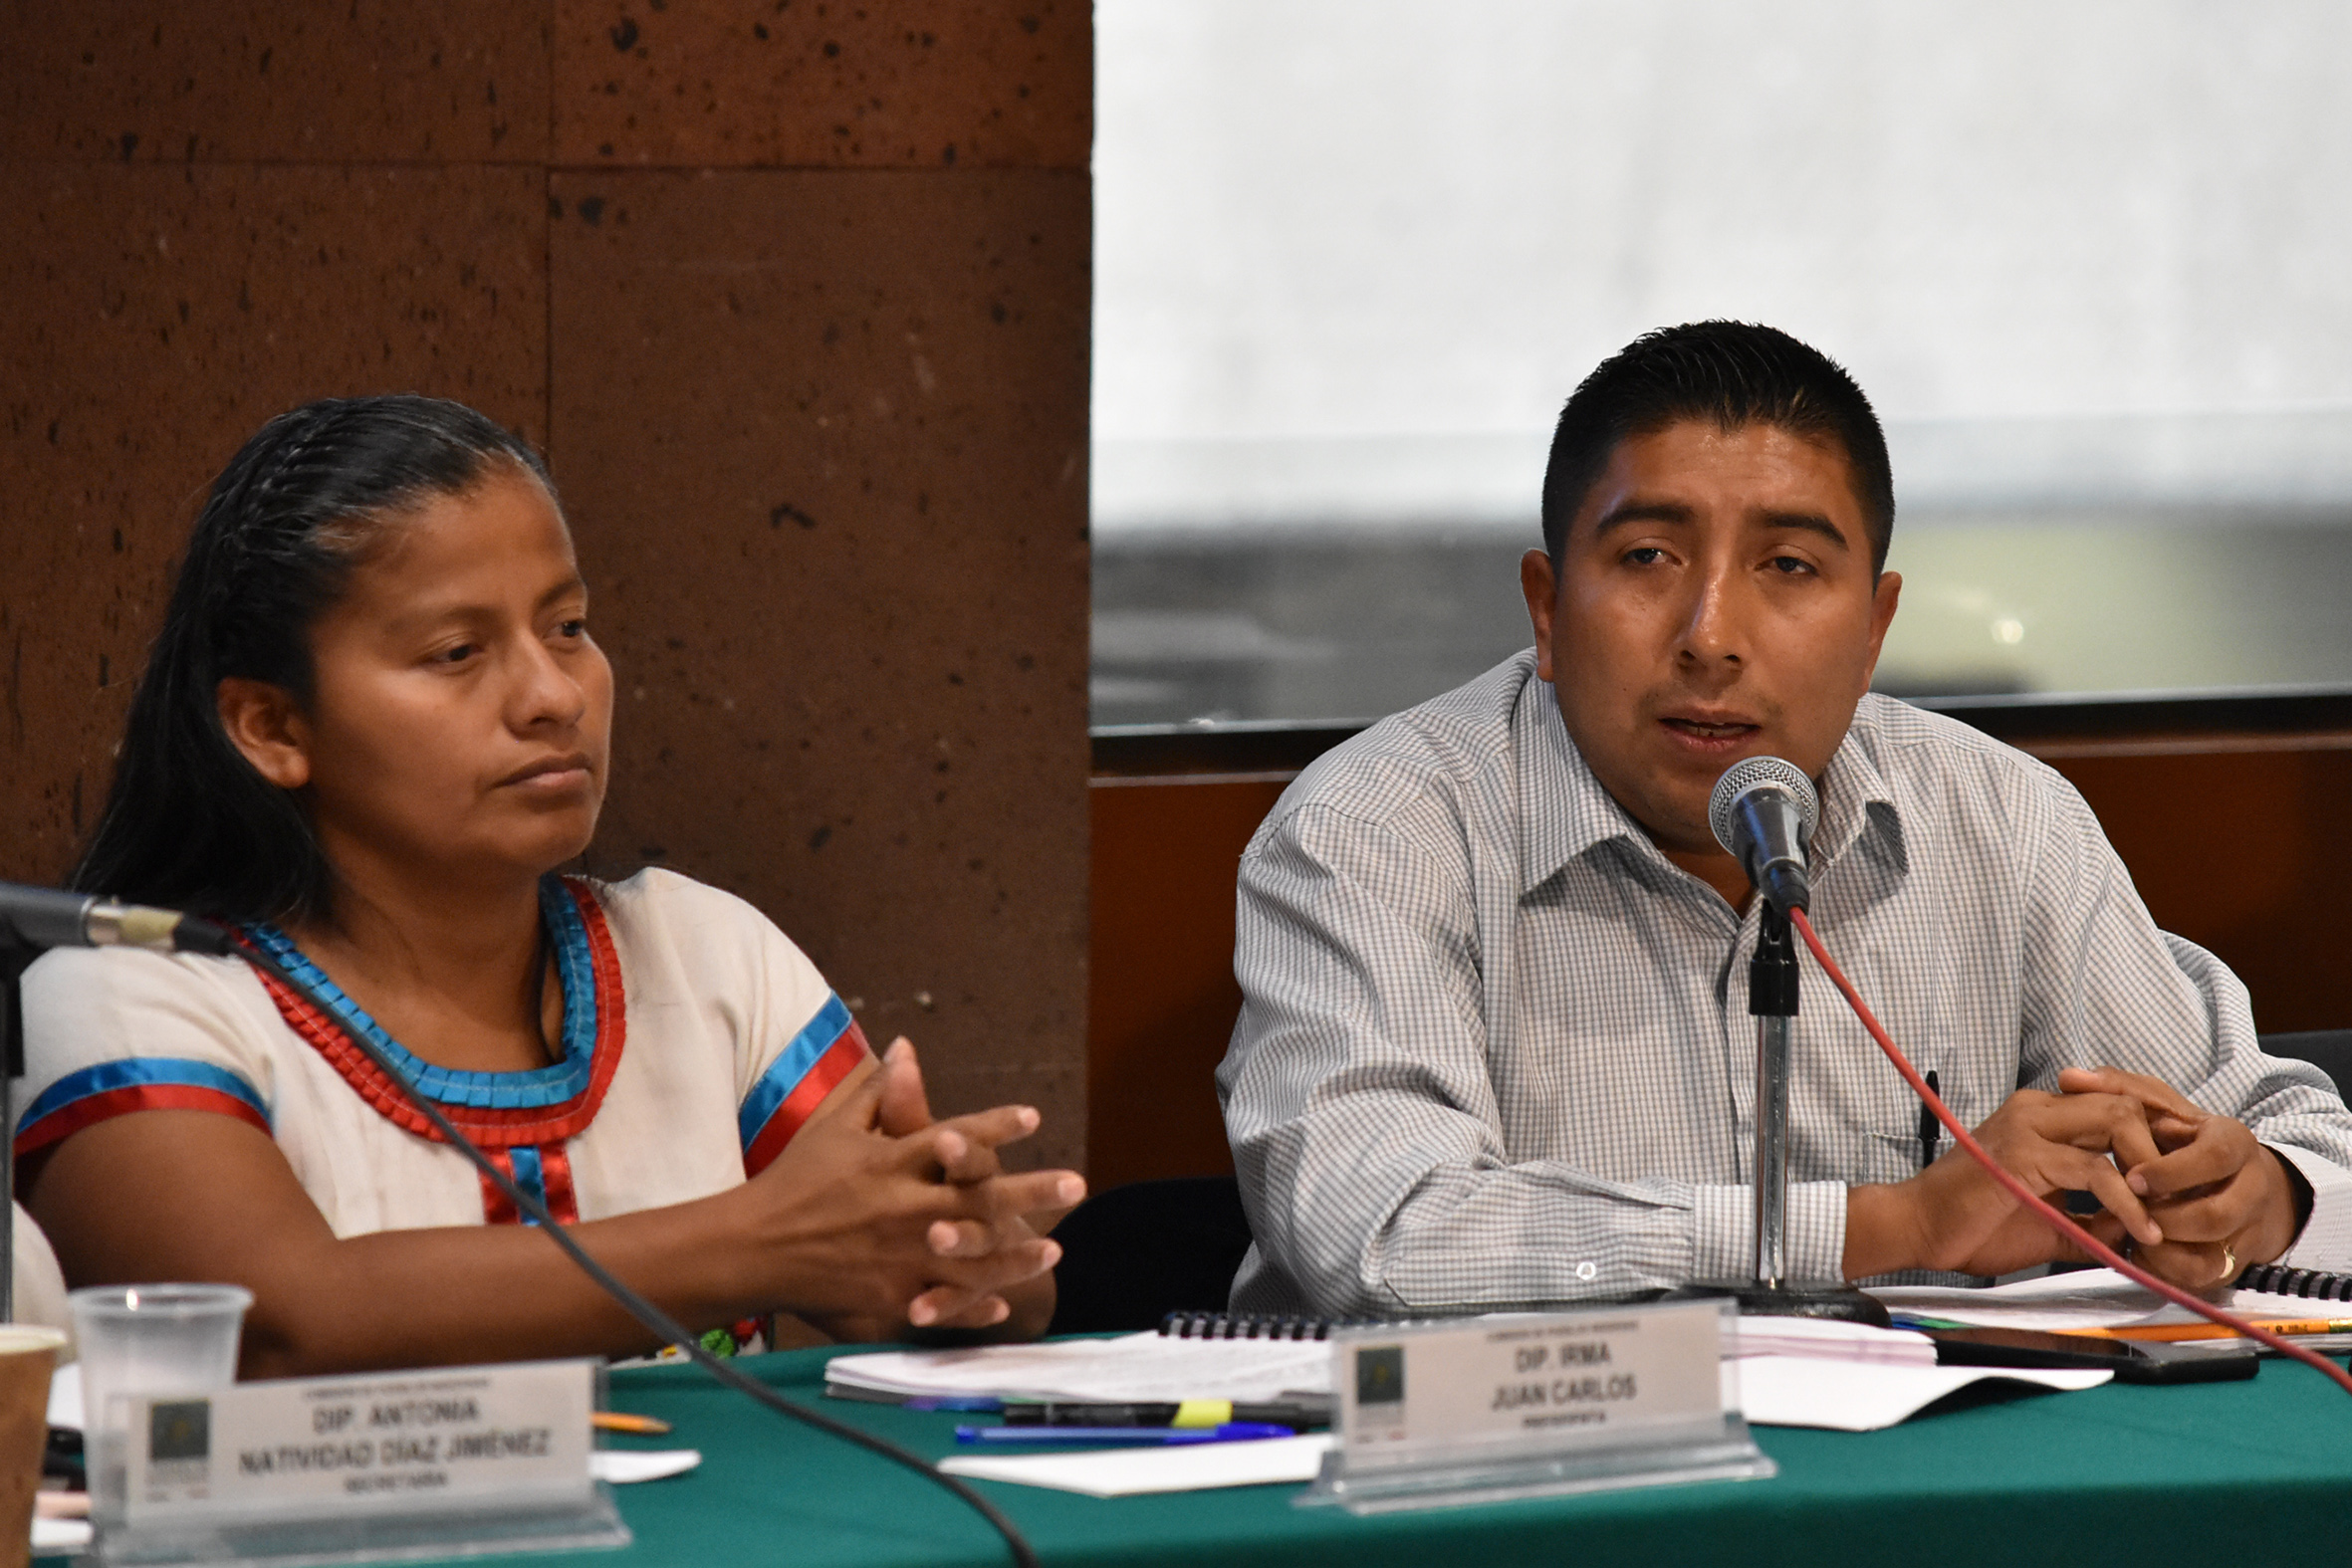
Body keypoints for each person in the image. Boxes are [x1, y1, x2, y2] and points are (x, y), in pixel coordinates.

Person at [1219, 322, 2352, 1318]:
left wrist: (2254, 1196)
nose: (1711, 635)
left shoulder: (2002, 820)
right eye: (1649, 556)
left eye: (1790, 565)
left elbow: (2297, 1143)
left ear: (1873, 631)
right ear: (1548, 610)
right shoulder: (1375, 831)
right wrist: (1902, 1224)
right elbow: (1384, 1234)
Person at [16, 395, 1080, 1375]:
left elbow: (971, 1289)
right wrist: (770, 1241)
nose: (552, 695)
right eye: (456, 651)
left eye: (567, 627)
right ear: (273, 726)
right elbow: (279, 1323)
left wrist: (956, 1252)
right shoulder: (125, 995)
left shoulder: (704, 953)